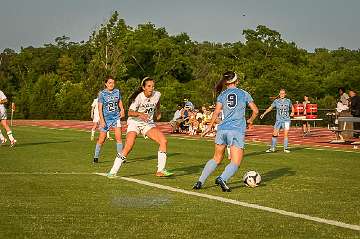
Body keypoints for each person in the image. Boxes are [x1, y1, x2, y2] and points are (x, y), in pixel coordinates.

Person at [192, 71, 258, 192]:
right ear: (237, 81)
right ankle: (222, 178)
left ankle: (200, 181)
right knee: (235, 162)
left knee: (216, 158)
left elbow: (216, 112)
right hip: (236, 130)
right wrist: (250, 120)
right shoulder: (244, 93)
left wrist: (209, 127)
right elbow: (255, 110)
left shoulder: (222, 94)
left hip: (222, 129)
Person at [107, 77, 174, 177]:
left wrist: (158, 112)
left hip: (148, 123)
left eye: (153, 86)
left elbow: (157, 102)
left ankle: (160, 170)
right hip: (134, 123)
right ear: (143, 87)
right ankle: (113, 171)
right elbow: (129, 112)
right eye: (149, 86)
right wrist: (140, 114)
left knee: (163, 141)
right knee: (128, 146)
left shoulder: (157, 94)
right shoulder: (139, 97)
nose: (151, 88)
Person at [93, 77, 125, 163]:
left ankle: (120, 157)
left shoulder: (117, 92)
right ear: (106, 84)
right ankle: (96, 157)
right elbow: (100, 108)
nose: (111, 84)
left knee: (119, 138)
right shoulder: (102, 94)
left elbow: (119, 101)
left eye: (113, 83)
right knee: (102, 139)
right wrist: (102, 120)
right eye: (110, 83)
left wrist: (122, 109)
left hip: (116, 117)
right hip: (106, 119)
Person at [260, 89, 294, 153]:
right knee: (274, 134)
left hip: (286, 120)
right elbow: (270, 108)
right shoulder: (276, 101)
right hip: (278, 120)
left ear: (285, 94)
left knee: (286, 134)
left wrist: (293, 112)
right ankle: (272, 148)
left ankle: (285, 148)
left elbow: (292, 107)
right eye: (281, 93)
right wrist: (264, 113)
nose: (282, 95)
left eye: (283, 93)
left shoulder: (288, 101)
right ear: (279, 94)